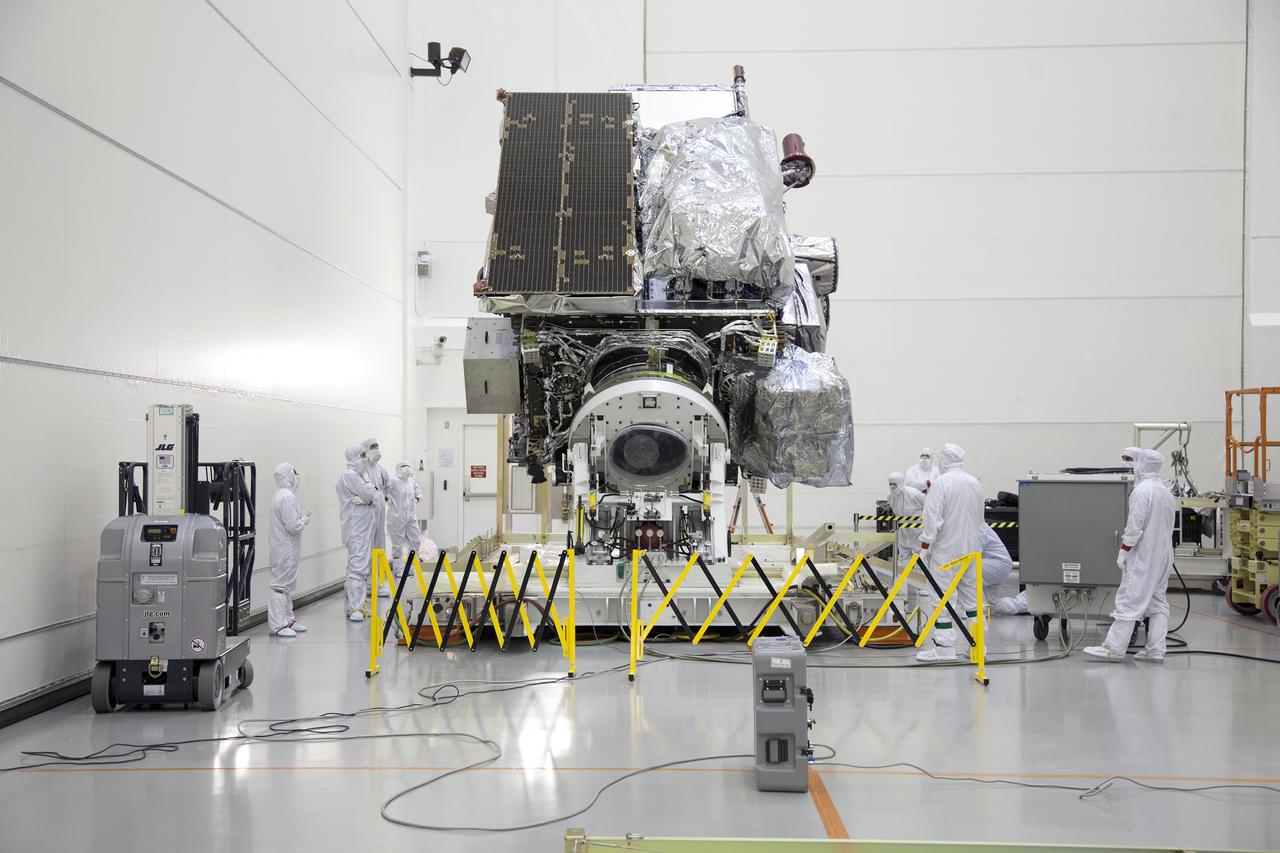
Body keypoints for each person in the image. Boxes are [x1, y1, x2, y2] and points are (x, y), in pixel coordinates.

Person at [1085, 448, 1175, 662]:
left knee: (1129, 600)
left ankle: (1113, 649)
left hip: (1144, 556)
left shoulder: (1142, 491)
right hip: (1164, 556)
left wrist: (1124, 550)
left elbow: (1135, 526)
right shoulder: (1165, 492)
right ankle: (1156, 650)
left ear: (1141, 464)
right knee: (1158, 603)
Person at [916, 444, 985, 662]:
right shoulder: (975, 483)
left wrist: (925, 547)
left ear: (944, 460)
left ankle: (944, 648)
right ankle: (978, 648)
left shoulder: (942, 483)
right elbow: (981, 520)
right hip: (972, 551)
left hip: (946, 551)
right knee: (973, 600)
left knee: (942, 598)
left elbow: (931, 517)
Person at [269, 463, 312, 637]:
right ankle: (278, 624)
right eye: (294, 473)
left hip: (284, 546)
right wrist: (304, 519)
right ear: (288, 475)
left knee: (285, 584)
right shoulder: (287, 497)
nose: (297, 476)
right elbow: (293, 525)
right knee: (280, 585)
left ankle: (288, 619)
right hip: (285, 547)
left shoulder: (281, 495)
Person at [337, 445, 378, 622]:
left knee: (358, 564)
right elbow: (370, 495)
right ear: (353, 457)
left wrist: (369, 497)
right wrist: (368, 497)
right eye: (362, 455)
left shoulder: (359, 475)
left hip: (361, 527)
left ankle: (356, 605)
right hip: (356, 528)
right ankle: (355, 608)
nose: (365, 458)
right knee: (358, 567)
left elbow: (373, 496)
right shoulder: (351, 476)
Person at [360, 437, 392, 596]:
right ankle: (362, 585)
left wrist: (386, 496)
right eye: (373, 446)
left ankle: (377, 583)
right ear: (365, 449)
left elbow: (389, 486)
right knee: (365, 548)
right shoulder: (361, 470)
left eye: (378, 446)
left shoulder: (380, 469)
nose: (376, 449)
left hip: (379, 514)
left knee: (379, 547)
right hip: (365, 516)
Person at [978, 523, 1027, 615]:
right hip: (998, 564)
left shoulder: (976, 526)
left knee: (965, 572)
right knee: (992, 606)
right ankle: (1029, 600)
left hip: (995, 564)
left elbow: (971, 554)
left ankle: (972, 610)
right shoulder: (975, 523)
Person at [887, 472, 925, 568]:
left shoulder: (913, 493)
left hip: (917, 530)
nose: (892, 487)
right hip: (903, 530)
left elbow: (928, 506)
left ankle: (917, 581)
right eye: (890, 484)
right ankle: (903, 581)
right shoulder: (892, 496)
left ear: (900, 483)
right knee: (903, 556)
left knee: (918, 558)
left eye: (894, 484)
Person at [387, 461, 423, 564]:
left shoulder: (411, 481)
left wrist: (417, 499)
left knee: (415, 538)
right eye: (403, 466)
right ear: (398, 468)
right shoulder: (393, 481)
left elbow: (418, 491)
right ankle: (398, 568)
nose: (406, 468)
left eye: (408, 466)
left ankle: (413, 565)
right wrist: (389, 500)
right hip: (397, 516)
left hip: (411, 516)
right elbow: (384, 492)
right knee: (397, 543)